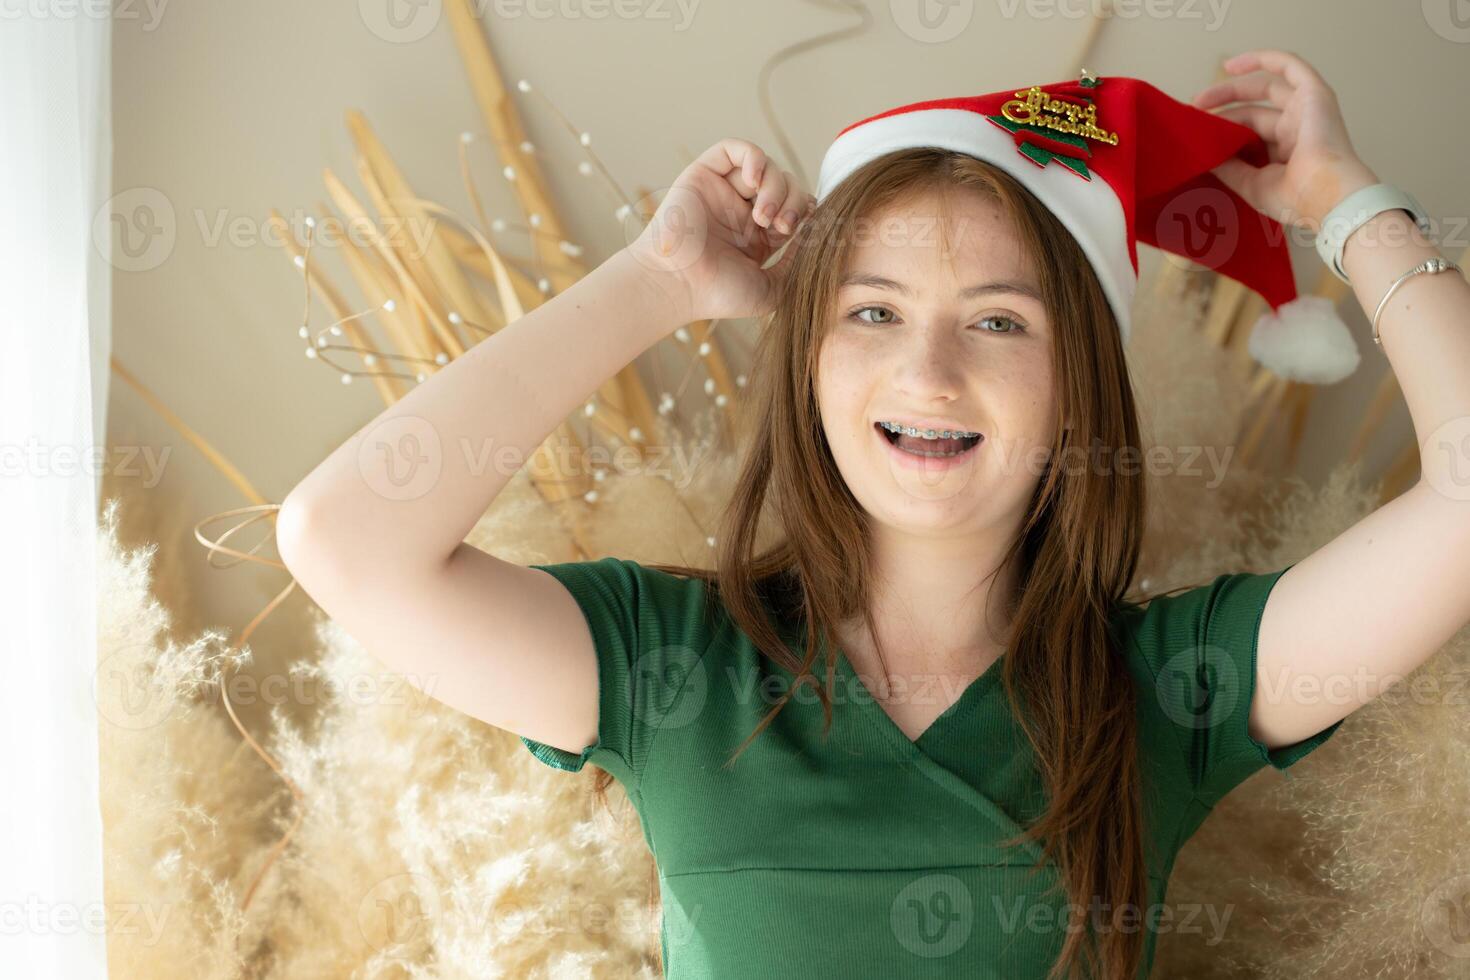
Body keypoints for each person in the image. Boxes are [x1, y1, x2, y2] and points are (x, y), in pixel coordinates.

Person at [276, 49, 1470, 980]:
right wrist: (660, 281)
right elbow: (344, 538)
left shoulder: (1167, 688)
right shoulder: (672, 665)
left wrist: (1343, 197)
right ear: (808, 360)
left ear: (1079, 388)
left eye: (1000, 320)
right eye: (873, 312)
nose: (931, 372)